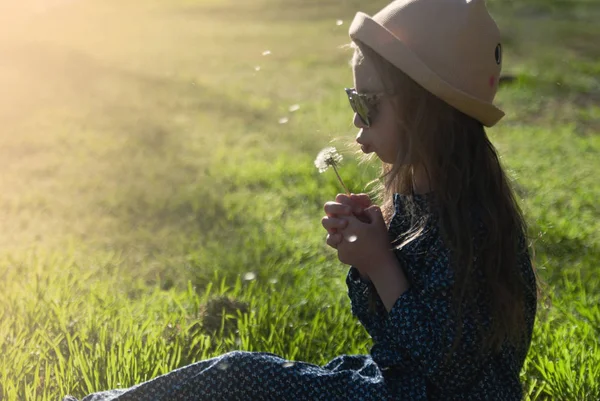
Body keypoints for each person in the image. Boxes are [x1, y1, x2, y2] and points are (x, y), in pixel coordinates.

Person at [63, 0, 539, 400]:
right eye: (353, 101)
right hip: (396, 386)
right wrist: (366, 256)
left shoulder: (473, 226)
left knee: (244, 374)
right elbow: (394, 337)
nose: (357, 123)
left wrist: (381, 267)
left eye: (366, 104)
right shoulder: (421, 199)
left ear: (425, 108)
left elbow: (449, 371)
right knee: (245, 373)